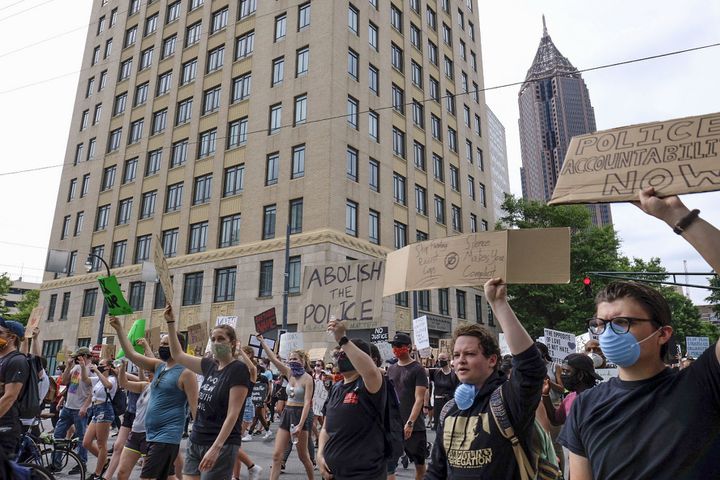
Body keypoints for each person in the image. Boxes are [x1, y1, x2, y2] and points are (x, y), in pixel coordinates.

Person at [558, 187, 720, 479]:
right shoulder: (584, 405)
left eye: (622, 322)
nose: (607, 333)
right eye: (601, 323)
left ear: (663, 333)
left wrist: (677, 216)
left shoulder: (702, 384)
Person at [425, 278, 546, 479]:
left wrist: (499, 304)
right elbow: (436, 471)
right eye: (456, 355)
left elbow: (530, 366)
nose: (460, 361)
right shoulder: (449, 410)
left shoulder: (508, 400)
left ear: (492, 360)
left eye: (470, 354)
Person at [164, 306, 250, 480]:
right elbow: (178, 354)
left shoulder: (238, 369)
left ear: (232, 343)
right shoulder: (209, 365)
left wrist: (216, 448)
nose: (217, 342)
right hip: (196, 440)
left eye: (221, 339)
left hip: (221, 444)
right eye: (213, 339)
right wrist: (171, 323)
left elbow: (233, 415)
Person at [110, 316, 198, 480]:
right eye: (162, 343)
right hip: (149, 434)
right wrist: (119, 329)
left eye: (166, 343)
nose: (162, 347)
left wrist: (202, 440)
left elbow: (195, 408)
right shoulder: (158, 366)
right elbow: (131, 353)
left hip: (167, 437)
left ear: (177, 345)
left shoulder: (187, 373)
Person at [317, 319, 385, 480]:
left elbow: (370, 371)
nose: (341, 355)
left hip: (364, 474)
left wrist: (342, 339)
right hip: (332, 473)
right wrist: (320, 455)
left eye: (345, 353)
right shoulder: (336, 387)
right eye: (339, 353)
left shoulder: (370, 384)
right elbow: (326, 428)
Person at [258, 335, 315, 480]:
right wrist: (263, 342)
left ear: (303, 361)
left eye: (295, 359)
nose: (291, 361)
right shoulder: (289, 374)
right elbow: (273, 359)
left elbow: (308, 402)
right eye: (290, 359)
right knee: (277, 455)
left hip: (300, 414)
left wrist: (300, 425)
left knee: (303, 457)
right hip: (287, 413)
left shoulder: (308, 379)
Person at [385, 332, 427, 480]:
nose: (395, 349)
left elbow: (419, 398)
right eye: (393, 346)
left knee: (420, 466)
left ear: (408, 347)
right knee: (389, 469)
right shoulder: (390, 369)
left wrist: (410, 422)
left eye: (398, 346)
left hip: (415, 428)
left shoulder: (418, 369)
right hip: (394, 426)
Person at [51, 346, 94, 474]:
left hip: (80, 409)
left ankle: (81, 463)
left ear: (85, 357)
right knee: (58, 435)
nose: (75, 359)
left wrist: (85, 406)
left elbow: (93, 392)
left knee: (82, 438)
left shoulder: (91, 369)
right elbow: (65, 382)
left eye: (77, 357)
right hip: (68, 407)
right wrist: (69, 366)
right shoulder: (75, 367)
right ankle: (56, 463)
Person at [115, 362, 151, 480]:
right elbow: (123, 383)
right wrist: (122, 369)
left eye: (151, 372)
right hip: (135, 432)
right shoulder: (145, 386)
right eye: (148, 372)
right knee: (121, 473)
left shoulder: (164, 390)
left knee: (146, 476)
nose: (149, 374)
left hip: (150, 435)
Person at [82, 357, 118, 480]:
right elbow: (85, 379)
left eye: (102, 364)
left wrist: (97, 371)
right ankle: (104, 462)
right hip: (95, 410)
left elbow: (108, 385)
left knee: (101, 444)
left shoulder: (112, 378)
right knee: (86, 442)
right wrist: (83, 366)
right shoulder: (98, 379)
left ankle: (97, 474)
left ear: (108, 367)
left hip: (105, 409)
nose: (99, 366)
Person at [0, 318, 30, 457]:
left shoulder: (17, 361)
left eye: (0, 333)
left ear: (11, 337)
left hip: (5, 428)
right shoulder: (2, 360)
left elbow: (9, 397)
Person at [429, 352, 458, 431]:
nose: (440, 361)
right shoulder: (435, 372)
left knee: (449, 426)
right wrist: (415, 354)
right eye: (439, 359)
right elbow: (421, 370)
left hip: (450, 403)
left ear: (448, 360)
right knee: (438, 427)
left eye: (443, 359)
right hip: (438, 403)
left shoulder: (454, 374)